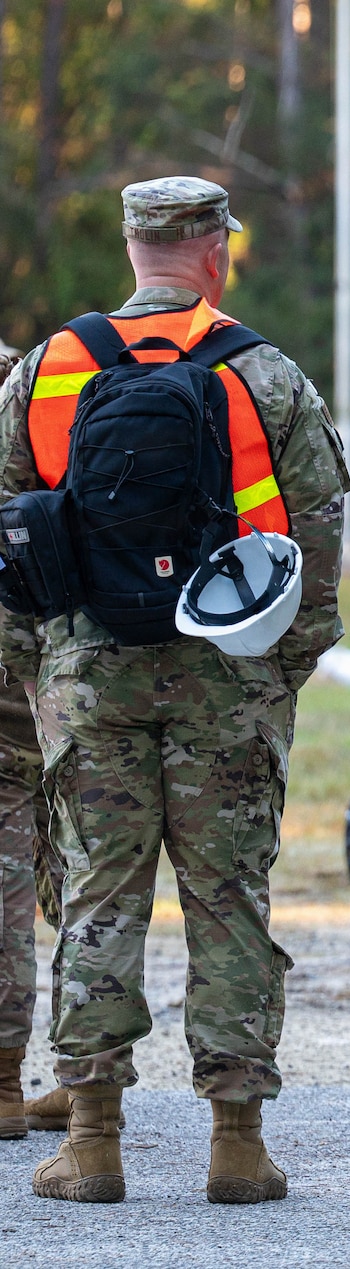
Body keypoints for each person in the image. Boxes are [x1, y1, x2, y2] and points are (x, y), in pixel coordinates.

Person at [0, 177, 349, 1202]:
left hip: (89, 679)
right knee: (229, 901)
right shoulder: (263, 373)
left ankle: (93, 1143)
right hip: (226, 682)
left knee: (101, 901)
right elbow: (319, 531)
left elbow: (11, 530)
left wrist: (41, 663)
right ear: (215, 251)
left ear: (131, 244)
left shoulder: (49, 369)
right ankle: (236, 1146)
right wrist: (283, 664)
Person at [0, 337, 44, 1142]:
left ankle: (3, 1079)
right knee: (84, 862)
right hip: (56, 652)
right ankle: (83, 1079)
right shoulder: (45, 377)